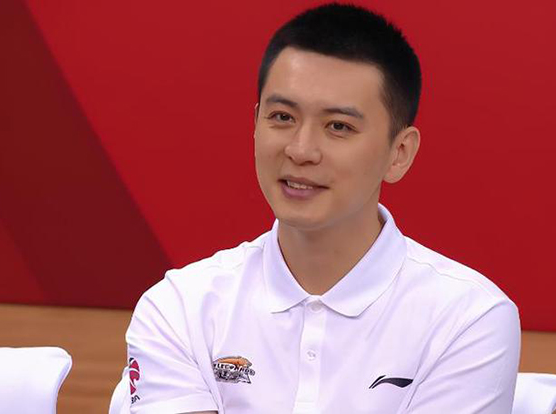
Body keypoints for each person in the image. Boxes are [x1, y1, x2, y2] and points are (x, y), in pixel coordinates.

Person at [124, 3, 520, 413]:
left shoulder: (468, 319)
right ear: (256, 123)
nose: (301, 150)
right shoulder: (179, 307)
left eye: (338, 127)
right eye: (282, 117)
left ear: (399, 152)